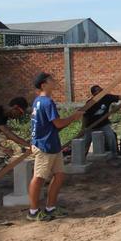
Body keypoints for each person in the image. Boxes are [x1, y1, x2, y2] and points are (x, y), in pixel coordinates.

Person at [28, 72, 83, 221]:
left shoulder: (38, 101)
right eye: (50, 80)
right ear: (43, 84)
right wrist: (74, 117)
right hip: (45, 146)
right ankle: (33, 212)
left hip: (51, 144)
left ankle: (50, 208)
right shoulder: (47, 102)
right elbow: (58, 124)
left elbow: (47, 125)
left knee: (59, 175)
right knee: (39, 177)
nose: (54, 81)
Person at [82, 85, 121, 159]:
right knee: (85, 142)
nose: (102, 91)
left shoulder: (107, 97)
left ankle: (114, 156)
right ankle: (81, 158)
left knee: (111, 137)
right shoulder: (90, 103)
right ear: (94, 94)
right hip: (91, 126)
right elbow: (85, 116)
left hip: (104, 124)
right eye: (99, 90)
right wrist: (83, 128)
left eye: (101, 89)